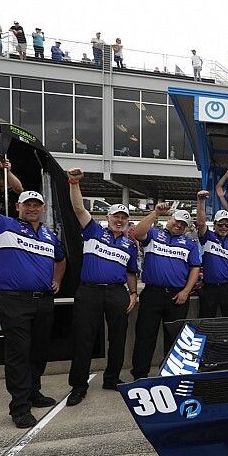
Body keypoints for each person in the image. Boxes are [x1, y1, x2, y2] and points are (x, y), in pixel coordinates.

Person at [0, 157, 66, 428]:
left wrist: (56, 279)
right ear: (19, 206)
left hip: (43, 301)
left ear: (42, 209)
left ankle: (33, 393)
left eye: (37, 205)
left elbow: (60, 258)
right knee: (19, 354)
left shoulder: (48, 235)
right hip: (14, 301)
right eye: (28, 204)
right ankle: (19, 408)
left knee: (39, 351)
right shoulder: (3, 225)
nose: (32, 208)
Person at [66, 168, 138, 406]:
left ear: (128, 222)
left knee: (118, 338)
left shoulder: (129, 244)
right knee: (84, 338)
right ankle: (78, 385)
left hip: (117, 292)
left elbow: (130, 271)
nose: (119, 221)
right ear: (108, 218)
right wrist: (74, 183)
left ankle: (112, 378)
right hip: (89, 291)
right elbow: (78, 209)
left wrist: (134, 293)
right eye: (116, 217)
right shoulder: (93, 230)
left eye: (123, 218)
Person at [131, 204, 201, 380]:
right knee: (145, 335)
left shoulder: (189, 244)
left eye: (184, 224)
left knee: (174, 337)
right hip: (152, 293)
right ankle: (140, 375)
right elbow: (138, 233)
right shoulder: (154, 234)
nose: (179, 225)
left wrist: (186, 291)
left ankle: (169, 374)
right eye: (177, 221)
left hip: (177, 296)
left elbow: (195, 268)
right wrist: (155, 213)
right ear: (170, 219)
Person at [195, 190, 228, 318]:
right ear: (214, 225)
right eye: (220, 224)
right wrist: (200, 201)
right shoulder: (207, 236)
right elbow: (201, 223)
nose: (224, 227)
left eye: (227, 225)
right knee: (206, 320)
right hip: (210, 287)